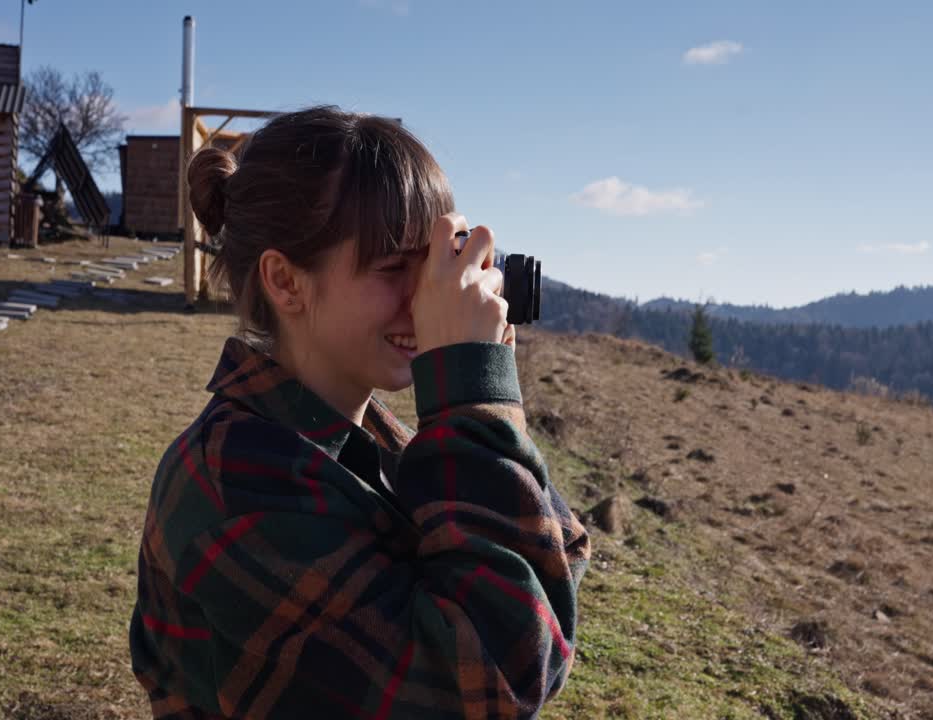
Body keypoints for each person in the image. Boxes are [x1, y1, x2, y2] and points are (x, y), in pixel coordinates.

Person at [128, 105, 590, 719]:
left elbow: (555, 556)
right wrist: (474, 394)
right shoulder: (235, 484)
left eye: (431, 265)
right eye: (395, 267)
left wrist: (483, 387)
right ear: (286, 282)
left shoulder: (360, 437)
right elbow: (501, 678)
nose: (425, 296)